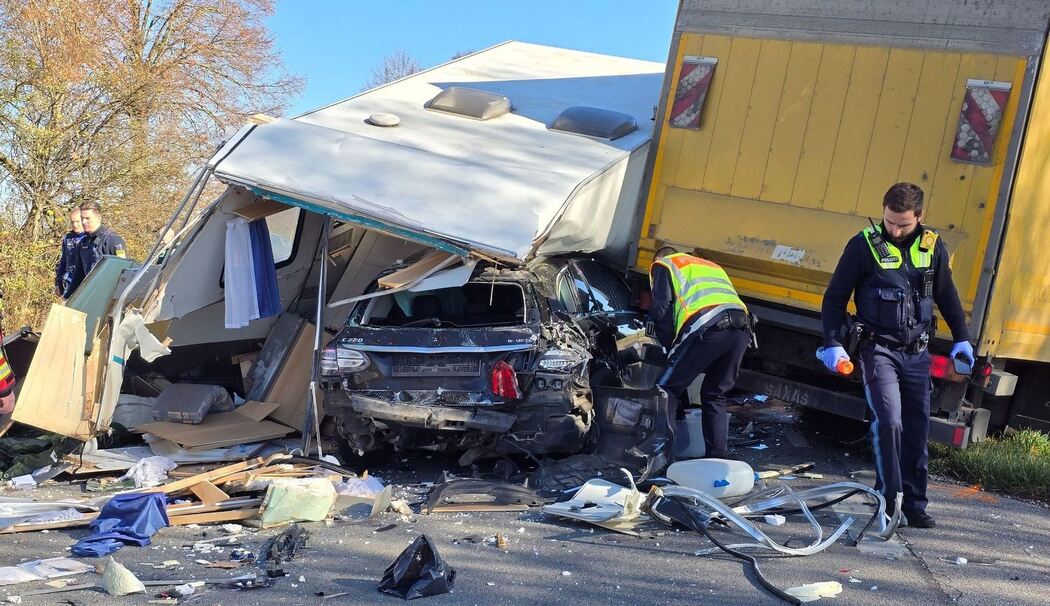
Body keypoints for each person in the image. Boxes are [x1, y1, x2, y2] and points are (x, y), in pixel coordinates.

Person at [820, 182, 974, 529]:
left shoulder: (932, 247)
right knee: (889, 421)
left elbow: (947, 297)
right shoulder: (863, 245)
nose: (894, 229)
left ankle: (915, 503)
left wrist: (961, 339)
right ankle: (889, 502)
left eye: (903, 224)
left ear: (920, 216)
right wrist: (832, 342)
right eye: (890, 221)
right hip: (878, 349)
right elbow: (834, 298)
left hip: (917, 351)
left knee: (917, 427)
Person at [649, 245, 752, 459]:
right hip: (742, 328)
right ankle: (717, 458)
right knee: (715, 393)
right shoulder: (710, 266)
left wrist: (669, 349)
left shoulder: (664, 264)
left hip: (707, 325)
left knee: (664, 389)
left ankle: (663, 458)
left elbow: (661, 310)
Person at [70, 202, 127, 296]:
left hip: (108, 295)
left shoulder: (113, 240)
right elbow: (78, 276)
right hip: (89, 294)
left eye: (87, 218)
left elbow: (123, 272)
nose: (83, 222)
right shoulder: (83, 243)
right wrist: (67, 298)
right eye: (82, 218)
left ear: (98, 218)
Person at [54, 206, 85, 300]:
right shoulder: (67, 238)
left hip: (84, 281)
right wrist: (57, 284)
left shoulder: (89, 238)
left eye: (77, 221)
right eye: (72, 222)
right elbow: (63, 261)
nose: (75, 224)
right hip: (69, 281)